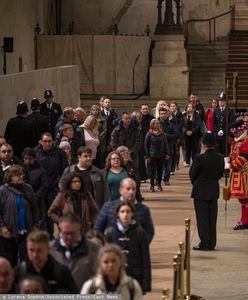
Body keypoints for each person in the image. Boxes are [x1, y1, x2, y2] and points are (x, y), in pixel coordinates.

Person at [105, 201, 151, 294]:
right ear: (117, 214)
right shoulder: (110, 233)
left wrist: (146, 284)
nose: (125, 215)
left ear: (132, 214)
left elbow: (145, 260)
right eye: (122, 212)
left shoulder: (139, 233)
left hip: (135, 277)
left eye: (128, 211)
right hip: (115, 279)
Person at [190, 133, 224, 251]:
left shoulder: (199, 157)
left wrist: (197, 183)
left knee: (202, 218)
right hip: (213, 189)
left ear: (203, 144)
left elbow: (192, 174)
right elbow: (220, 173)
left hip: (200, 190)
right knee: (212, 217)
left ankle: (204, 243)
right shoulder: (220, 157)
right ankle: (212, 243)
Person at [94, 178, 154, 244]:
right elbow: (97, 229)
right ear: (120, 190)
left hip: (134, 250)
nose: (131, 192)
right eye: (128, 189)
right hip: (113, 250)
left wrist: (142, 245)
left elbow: (149, 231)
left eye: (133, 189)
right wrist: (106, 246)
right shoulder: (108, 207)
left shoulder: (143, 210)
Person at [0, 165, 38, 266]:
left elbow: (35, 209)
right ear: (9, 177)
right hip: (8, 232)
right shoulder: (2, 190)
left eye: (22, 174)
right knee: (9, 261)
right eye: (18, 175)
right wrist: (2, 228)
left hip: (26, 231)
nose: (21, 176)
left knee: (26, 261)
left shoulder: (28, 188)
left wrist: (35, 225)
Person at [49, 213, 99, 290]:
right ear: (60, 230)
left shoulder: (95, 250)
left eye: (73, 233)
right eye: (66, 233)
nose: (69, 237)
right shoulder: (49, 249)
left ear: (79, 230)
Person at [34, 132, 67, 236]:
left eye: (49, 141)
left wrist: (61, 186)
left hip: (54, 188)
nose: (47, 144)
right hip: (39, 189)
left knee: (52, 214)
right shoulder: (35, 152)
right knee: (41, 216)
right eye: (45, 141)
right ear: (40, 142)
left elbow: (64, 170)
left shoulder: (59, 152)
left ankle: (53, 238)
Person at [229, 119, 248, 230]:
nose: (235, 134)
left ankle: (245, 220)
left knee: (245, 198)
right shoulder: (238, 141)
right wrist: (230, 158)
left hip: (244, 174)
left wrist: (231, 164)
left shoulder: (246, 142)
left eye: (237, 132)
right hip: (239, 174)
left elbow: (243, 158)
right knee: (243, 199)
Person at [22, 147, 48, 228]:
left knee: (40, 224)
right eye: (25, 158)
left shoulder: (41, 171)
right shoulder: (21, 169)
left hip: (38, 200)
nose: (28, 160)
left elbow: (44, 186)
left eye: (30, 158)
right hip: (23, 199)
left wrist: (35, 196)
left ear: (34, 158)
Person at [144, 119, 169, 192]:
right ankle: (152, 186)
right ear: (152, 125)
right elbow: (146, 145)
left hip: (161, 155)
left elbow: (165, 144)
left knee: (160, 170)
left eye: (158, 123)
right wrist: (147, 156)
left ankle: (159, 185)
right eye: (155, 123)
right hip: (152, 155)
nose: (157, 124)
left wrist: (167, 153)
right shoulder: (149, 134)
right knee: (152, 171)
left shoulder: (162, 133)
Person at [212, 92, 235, 156]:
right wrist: (217, 131)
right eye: (220, 100)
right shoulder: (216, 111)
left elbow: (232, 123)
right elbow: (214, 123)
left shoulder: (230, 111)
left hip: (226, 136)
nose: (221, 102)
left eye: (222, 100)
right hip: (217, 136)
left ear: (225, 101)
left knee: (226, 153)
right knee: (218, 153)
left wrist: (223, 131)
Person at [158, 107, 176, 185]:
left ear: (167, 114)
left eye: (164, 114)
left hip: (169, 148)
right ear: (159, 114)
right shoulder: (156, 124)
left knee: (168, 166)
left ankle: (166, 179)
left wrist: (165, 135)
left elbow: (175, 135)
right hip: (158, 148)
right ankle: (157, 180)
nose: (163, 115)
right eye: (161, 114)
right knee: (158, 166)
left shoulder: (171, 125)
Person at [182, 102, 201, 166]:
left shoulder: (196, 115)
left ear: (193, 108)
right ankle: (187, 162)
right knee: (187, 148)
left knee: (194, 149)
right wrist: (186, 131)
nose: (189, 108)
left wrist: (192, 131)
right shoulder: (183, 115)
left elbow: (198, 125)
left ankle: (194, 161)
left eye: (191, 107)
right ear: (186, 108)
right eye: (188, 107)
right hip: (186, 135)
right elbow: (182, 125)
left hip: (195, 135)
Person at [139, 104, 153, 181]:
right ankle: (143, 176)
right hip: (141, 141)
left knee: (149, 160)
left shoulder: (152, 119)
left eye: (146, 109)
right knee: (141, 160)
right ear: (141, 110)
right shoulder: (138, 118)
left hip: (150, 141)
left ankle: (149, 175)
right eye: (143, 109)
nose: (145, 110)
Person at [170, 100, 184, 172]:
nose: (172, 107)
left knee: (177, 150)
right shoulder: (169, 114)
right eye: (171, 106)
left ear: (176, 107)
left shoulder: (180, 114)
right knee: (172, 150)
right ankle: (172, 164)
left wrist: (176, 129)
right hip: (171, 134)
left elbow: (182, 123)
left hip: (178, 134)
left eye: (174, 106)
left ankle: (177, 163)